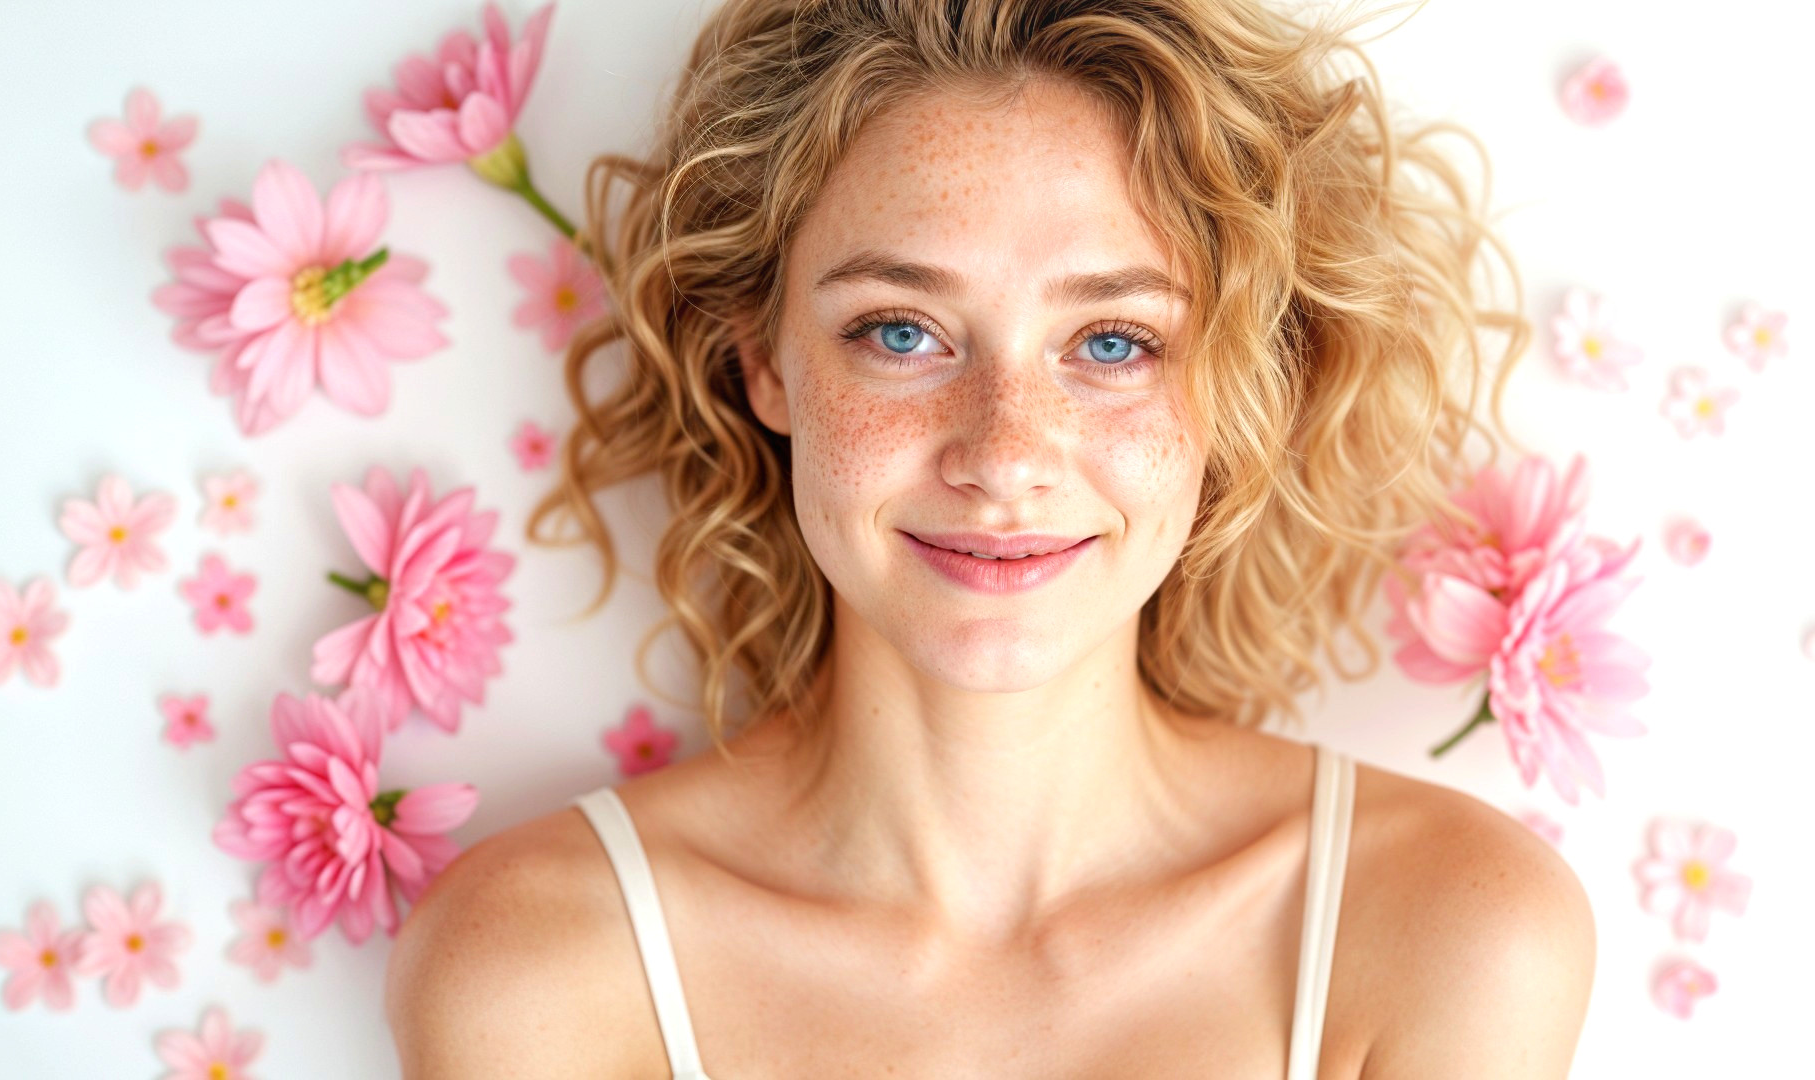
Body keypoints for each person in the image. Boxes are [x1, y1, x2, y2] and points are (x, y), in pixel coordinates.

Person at [388, 0, 1595, 1075]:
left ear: (1241, 381)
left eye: (1114, 342)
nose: (1006, 456)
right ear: (762, 358)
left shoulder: (1448, 934)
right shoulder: (541, 972)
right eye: (901, 332)